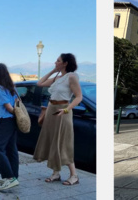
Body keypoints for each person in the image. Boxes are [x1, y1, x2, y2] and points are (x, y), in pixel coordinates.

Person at [33, 53, 83, 186]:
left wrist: (67, 109)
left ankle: (74, 175)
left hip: (63, 110)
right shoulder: (58, 77)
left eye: (58, 61)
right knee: (52, 141)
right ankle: (55, 173)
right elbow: (39, 83)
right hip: (51, 109)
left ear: (65, 63)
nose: (55, 62)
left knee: (63, 142)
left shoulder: (71, 77)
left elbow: (79, 97)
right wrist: (54, 71)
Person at [0, 63, 20, 191]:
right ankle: (13, 177)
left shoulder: (0, 88)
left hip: (4, 121)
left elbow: (9, 107)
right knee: (11, 149)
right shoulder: (12, 87)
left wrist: (15, 112)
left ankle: (9, 177)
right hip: (12, 122)